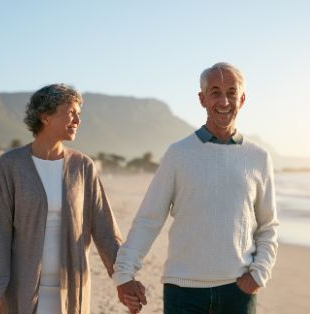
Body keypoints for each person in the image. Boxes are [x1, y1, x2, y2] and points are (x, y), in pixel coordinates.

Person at [113, 62, 279, 314]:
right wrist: (124, 274)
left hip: (238, 291)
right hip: (183, 291)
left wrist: (259, 274)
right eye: (215, 92)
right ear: (202, 99)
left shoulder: (258, 157)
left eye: (231, 92)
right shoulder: (178, 154)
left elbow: (267, 226)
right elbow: (149, 219)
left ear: (242, 99)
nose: (224, 101)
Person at [0, 84, 141, 313]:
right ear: (45, 116)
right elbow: (0, 233)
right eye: (71, 112)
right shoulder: (11, 165)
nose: (77, 120)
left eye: (79, 114)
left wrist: (124, 278)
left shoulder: (83, 166)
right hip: (23, 291)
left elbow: (105, 229)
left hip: (71, 290)